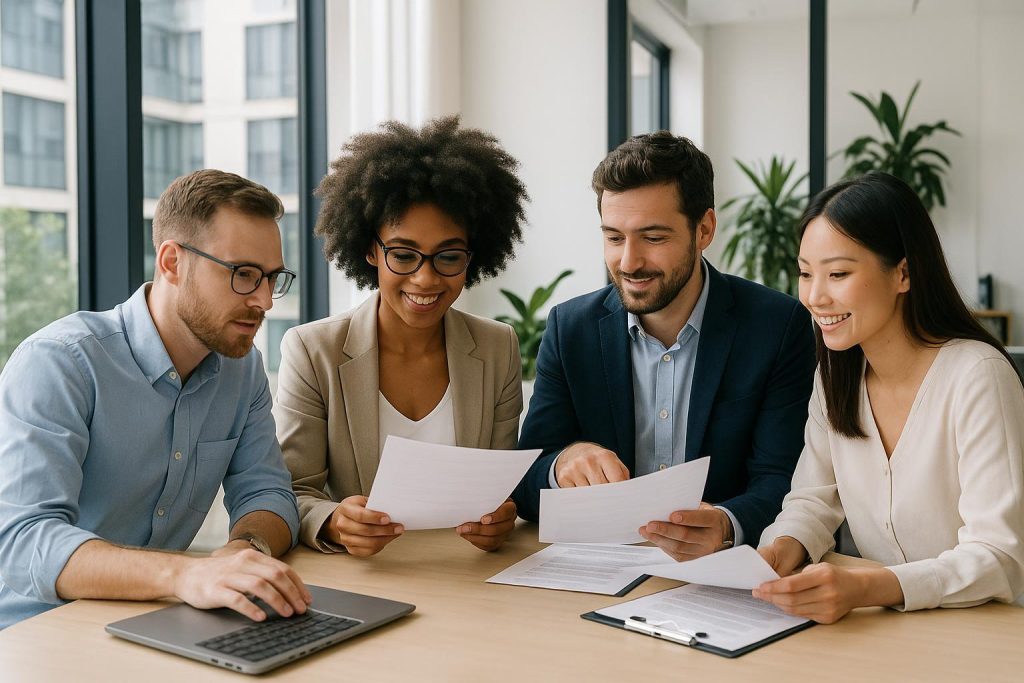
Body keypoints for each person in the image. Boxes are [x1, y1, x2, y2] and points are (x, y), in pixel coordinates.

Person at [0, 170, 310, 630]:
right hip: (34, 634)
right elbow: (24, 543)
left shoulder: (242, 371)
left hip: (155, 623)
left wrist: (244, 552)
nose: (264, 300)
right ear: (171, 262)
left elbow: (268, 493)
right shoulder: (60, 363)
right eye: (244, 275)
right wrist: (188, 574)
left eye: (272, 277)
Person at [512, 131, 816, 559]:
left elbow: (784, 478)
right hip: (596, 570)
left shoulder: (777, 326)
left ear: (704, 229)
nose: (629, 262)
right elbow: (524, 480)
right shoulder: (570, 328)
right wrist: (560, 467)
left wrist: (728, 524)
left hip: (718, 574)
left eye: (653, 238)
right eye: (614, 238)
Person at [754, 172, 1024, 623]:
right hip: (887, 629)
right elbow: (812, 500)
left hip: (983, 632)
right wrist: (783, 548)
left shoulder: (978, 376)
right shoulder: (836, 377)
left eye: (838, 273)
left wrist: (866, 587)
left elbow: (999, 555)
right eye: (805, 273)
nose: (815, 296)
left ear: (902, 272)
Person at [275, 116, 529, 557]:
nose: (426, 279)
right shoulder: (313, 351)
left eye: (448, 256)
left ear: (474, 254)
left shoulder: (497, 347)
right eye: (404, 255)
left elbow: (500, 489)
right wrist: (334, 522)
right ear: (371, 250)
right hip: (364, 578)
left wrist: (501, 517)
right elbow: (290, 492)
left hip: (469, 579)